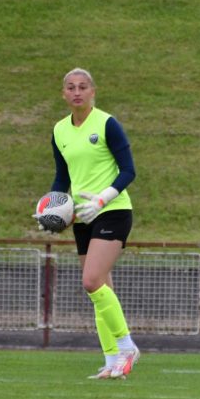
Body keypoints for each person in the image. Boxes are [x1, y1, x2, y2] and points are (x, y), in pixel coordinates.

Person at [43, 68, 140, 379]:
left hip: (113, 211)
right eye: (71, 87)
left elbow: (128, 171)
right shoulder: (59, 130)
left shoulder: (107, 124)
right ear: (63, 94)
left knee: (91, 280)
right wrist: (51, 210)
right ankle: (112, 361)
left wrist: (101, 199)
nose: (77, 92)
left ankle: (127, 347)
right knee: (100, 289)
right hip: (82, 217)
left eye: (83, 87)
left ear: (93, 92)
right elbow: (62, 177)